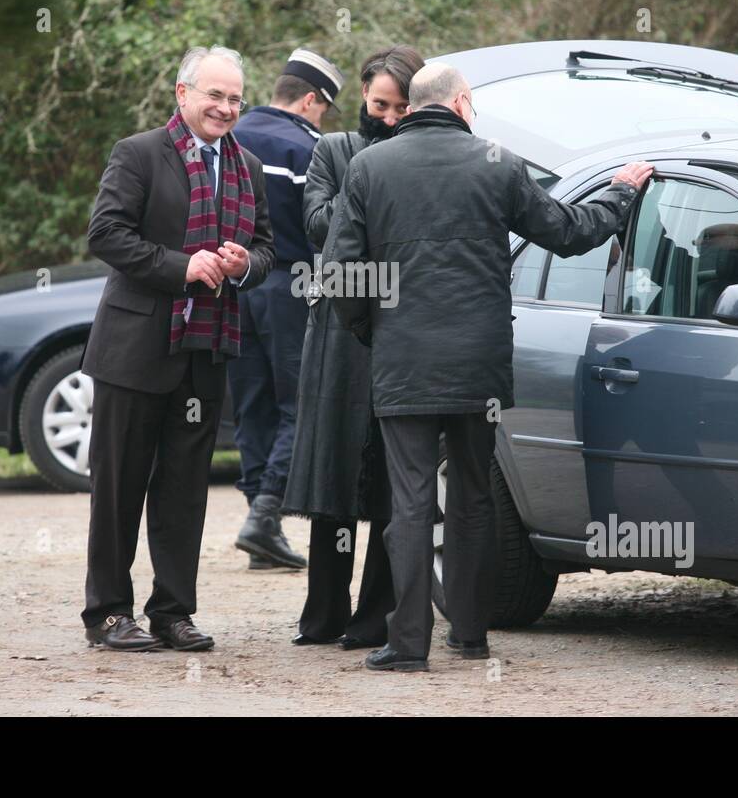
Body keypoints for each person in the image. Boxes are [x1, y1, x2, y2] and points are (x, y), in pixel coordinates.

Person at [329, 63, 654, 671]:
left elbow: (343, 272)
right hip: (478, 361)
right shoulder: (497, 162)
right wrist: (622, 192)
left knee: (410, 500)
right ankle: (471, 635)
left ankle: (407, 644)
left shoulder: (368, 168)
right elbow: (566, 231)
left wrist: (372, 329)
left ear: (412, 106)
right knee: (475, 495)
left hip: (404, 361)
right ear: (462, 102)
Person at [80, 45, 275, 653]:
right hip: (136, 348)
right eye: (214, 95)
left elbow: (268, 249)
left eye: (235, 98)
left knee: (185, 490)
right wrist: (180, 267)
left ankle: (172, 612)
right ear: (182, 93)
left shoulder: (250, 167)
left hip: (205, 349)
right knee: (120, 488)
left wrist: (245, 265)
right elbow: (106, 233)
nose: (225, 107)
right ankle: (108, 613)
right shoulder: (138, 153)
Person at [281, 45, 425, 649]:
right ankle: (323, 615)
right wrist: (372, 190)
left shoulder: (424, 158)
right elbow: (316, 226)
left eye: (400, 107)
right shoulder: (333, 150)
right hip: (339, 327)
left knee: (394, 480)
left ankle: (375, 621)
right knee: (334, 470)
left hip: (402, 325)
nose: (388, 116)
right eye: (379, 104)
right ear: (363, 95)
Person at [228, 49, 347, 570]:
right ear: (310, 100)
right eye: (323, 109)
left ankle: (261, 520)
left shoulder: (228, 137)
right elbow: (325, 227)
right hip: (289, 284)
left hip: (232, 282)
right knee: (299, 402)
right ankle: (267, 512)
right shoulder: (308, 147)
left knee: (250, 404)